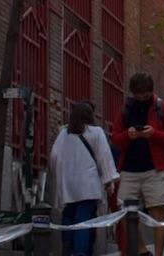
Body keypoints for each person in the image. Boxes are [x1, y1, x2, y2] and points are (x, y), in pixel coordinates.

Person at [112, 72, 164, 256]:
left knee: (157, 211)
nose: (142, 98)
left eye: (146, 95)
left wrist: (155, 134)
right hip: (129, 169)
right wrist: (128, 135)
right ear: (133, 93)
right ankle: (143, 251)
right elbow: (115, 139)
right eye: (138, 95)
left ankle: (158, 254)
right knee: (124, 213)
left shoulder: (162, 107)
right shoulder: (126, 109)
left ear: (152, 91)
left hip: (155, 169)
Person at [50, 102, 119, 256]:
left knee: (68, 217)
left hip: (68, 186)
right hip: (88, 186)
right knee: (84, 220)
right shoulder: (96, 132)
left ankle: (67, 249)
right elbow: (104, 158)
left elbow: (54, 157)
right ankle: (80, 252)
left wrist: (61, 176)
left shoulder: (63, 134)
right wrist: (109, 181)